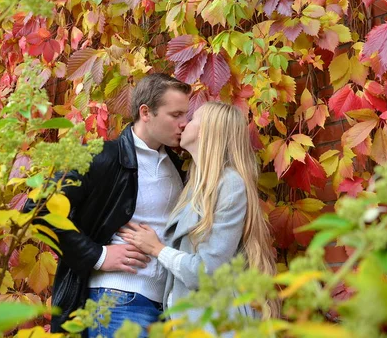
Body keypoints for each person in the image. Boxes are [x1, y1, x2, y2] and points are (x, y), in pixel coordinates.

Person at [25, 73, 191, 336]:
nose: (185, 123)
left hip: (168, 307)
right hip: (118, 301)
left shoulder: (178, 163)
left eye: (186, 115)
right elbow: (38, 208)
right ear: (145, 112)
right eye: (176, 115)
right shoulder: (102, 156)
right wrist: (99, 256)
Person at [118, 101, 278, 333]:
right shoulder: (195, 186)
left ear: (207, 131)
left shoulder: (230, 184)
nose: (184, 124)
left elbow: (207, 271)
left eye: (192, 120)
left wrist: (156, 249)